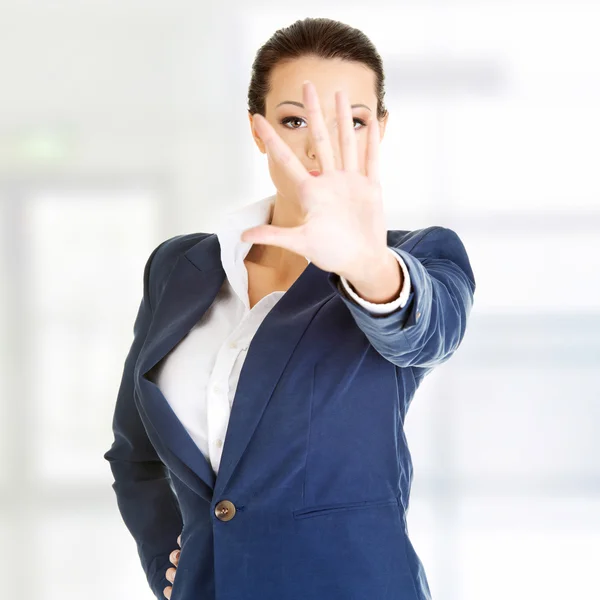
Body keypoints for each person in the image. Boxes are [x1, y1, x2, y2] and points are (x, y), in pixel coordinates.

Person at [103, 17, 476, 600]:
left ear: (381, 127)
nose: (320, 147)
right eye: (295, 120)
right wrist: (166, 561)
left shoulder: (415, 258)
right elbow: (135, 453)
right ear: (259, 131)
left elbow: (425, 332)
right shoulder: (178, 268)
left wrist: (366, 265)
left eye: (352, 122)